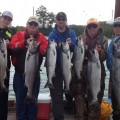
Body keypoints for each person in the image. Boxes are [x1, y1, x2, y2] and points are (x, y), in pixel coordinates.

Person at [9, 16, 48, 120]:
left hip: (34, 75)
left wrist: (36, 46)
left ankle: (31, 117)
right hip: (19, 74)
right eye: (31, 24)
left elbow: (44, 51)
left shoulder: (42, 37)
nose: (33, 26)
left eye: (35, 24)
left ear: (38, 26)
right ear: (27, 25)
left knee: (33, 100)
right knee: (20, 100)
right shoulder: (19, 35)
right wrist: (24, 43)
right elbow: (12, 46)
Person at [71, 18, 108, 120]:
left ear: (98, 27)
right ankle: (80, 116)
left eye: (94, 26)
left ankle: (93, 116)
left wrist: (100, 52)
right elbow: (73, 57)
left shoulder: (104, 40)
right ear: (86, 28)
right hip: (81, 70)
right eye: (89, 26)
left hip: (97, 70)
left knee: (96, 94)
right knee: (79, 95)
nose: (92, 29)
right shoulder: (80, 38)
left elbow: (104, 57)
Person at [48, 12, 76, 120]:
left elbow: (74, 48)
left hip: (68, 67)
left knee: (72, 89)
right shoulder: (52, 34)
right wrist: (60, 47)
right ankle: (58, 117)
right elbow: (50, 50)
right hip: (56, 68)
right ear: (56, 20)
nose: (61, 21)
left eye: (63, 19)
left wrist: (71, 45)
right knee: (57, 95)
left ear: (66, 20)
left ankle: (70, 108)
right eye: (59, 19)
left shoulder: (71, 33)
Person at [106, 17, 120, 120]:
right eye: (115, 25)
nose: (117, 27)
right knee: (114, 97)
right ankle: (116, 114)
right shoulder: (113, 40)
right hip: (113, 73)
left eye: (119, 25)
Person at [0, 11, 13, 120]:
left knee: (4, 96)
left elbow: (11, 44)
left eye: (9, 19)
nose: (6, 21)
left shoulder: (9, 33)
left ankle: (3, 117)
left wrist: (9, 45)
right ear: (1, 17)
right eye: (5, 18)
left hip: (4, 66)